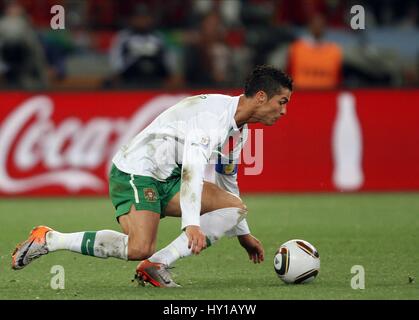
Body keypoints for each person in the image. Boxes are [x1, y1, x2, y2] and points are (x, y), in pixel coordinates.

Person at [11, 65, 293, 287]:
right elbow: (192, 169)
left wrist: (242, 233)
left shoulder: (239, 129)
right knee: (138, 247)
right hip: (137, 171)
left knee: (235, 207)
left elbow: (227, 180)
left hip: (167, 177)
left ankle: (156, 265)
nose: (283, 111)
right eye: (281, 102)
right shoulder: (213, 119)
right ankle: (49, 239)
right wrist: (191, 224)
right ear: (260, 97)